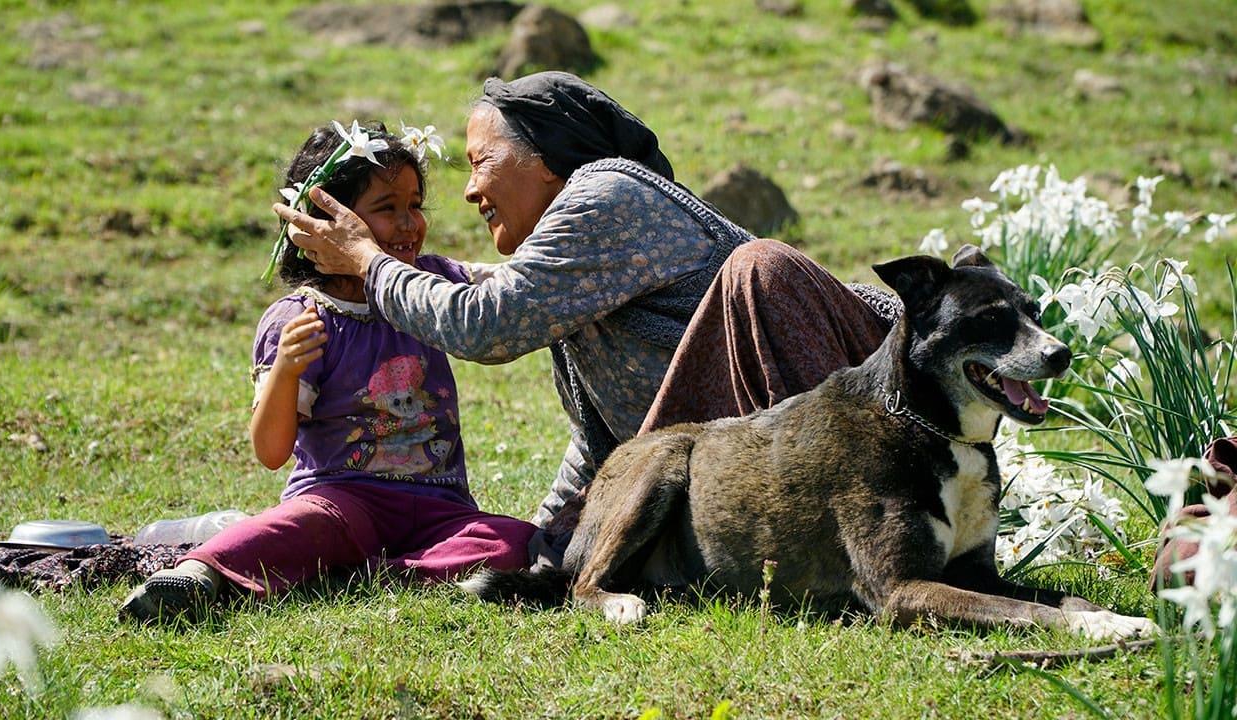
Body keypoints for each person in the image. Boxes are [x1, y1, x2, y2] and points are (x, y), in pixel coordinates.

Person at [275, 72, 897, 568]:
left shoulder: (606, 194)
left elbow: (486, 324)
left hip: (870, 427)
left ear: (544, 159)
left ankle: (861, 525)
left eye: (480, 161)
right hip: (751, 469)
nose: (468, 191)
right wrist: (549, 539)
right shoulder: (573, 278)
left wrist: (366, 257)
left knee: (760, 267)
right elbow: (603, 436)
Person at [120, 122, 537, 621]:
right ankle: (199, 575)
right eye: (387, 208)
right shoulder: (302, 319)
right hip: (340, 501)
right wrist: (286, 372)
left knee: (519, 539)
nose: (409, 223)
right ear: (322, 222)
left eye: (415, 205)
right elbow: (272, 451)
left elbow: (520, 286)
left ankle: (367, 573)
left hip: (441, 510)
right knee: (296, 527)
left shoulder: (433, 284)